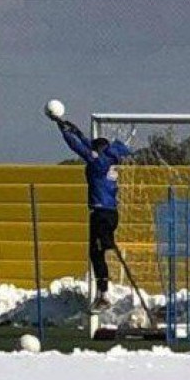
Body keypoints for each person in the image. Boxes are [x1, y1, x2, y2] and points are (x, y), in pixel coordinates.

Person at [53, 115, 133, 310]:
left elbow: (77, 147)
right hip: (111, 213)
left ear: (97, 151)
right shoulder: (110, 158)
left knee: (97, 254)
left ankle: (104, 294)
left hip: (101, 214)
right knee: (96, 253)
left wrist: (62, 129)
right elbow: (88, 145)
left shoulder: (97, 163)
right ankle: (102, 291)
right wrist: (76, 129)